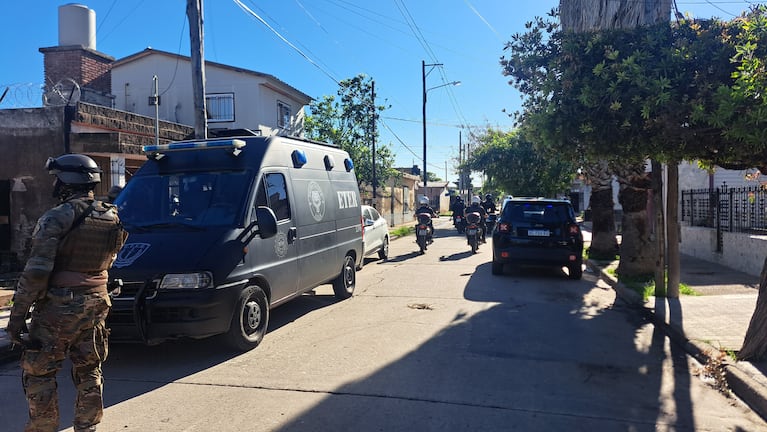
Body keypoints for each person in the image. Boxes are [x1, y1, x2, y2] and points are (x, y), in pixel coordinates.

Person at [5, 154, 128, 432]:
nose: (55, 184)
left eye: (57, 178)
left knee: (40, 372)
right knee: (89, 369)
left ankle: (43, 427)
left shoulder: (57, 217)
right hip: (97, 304)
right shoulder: (111, 215)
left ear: (67, 181)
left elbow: (36, 274)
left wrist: (16, 321)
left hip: (59, 308)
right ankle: (88, 426)